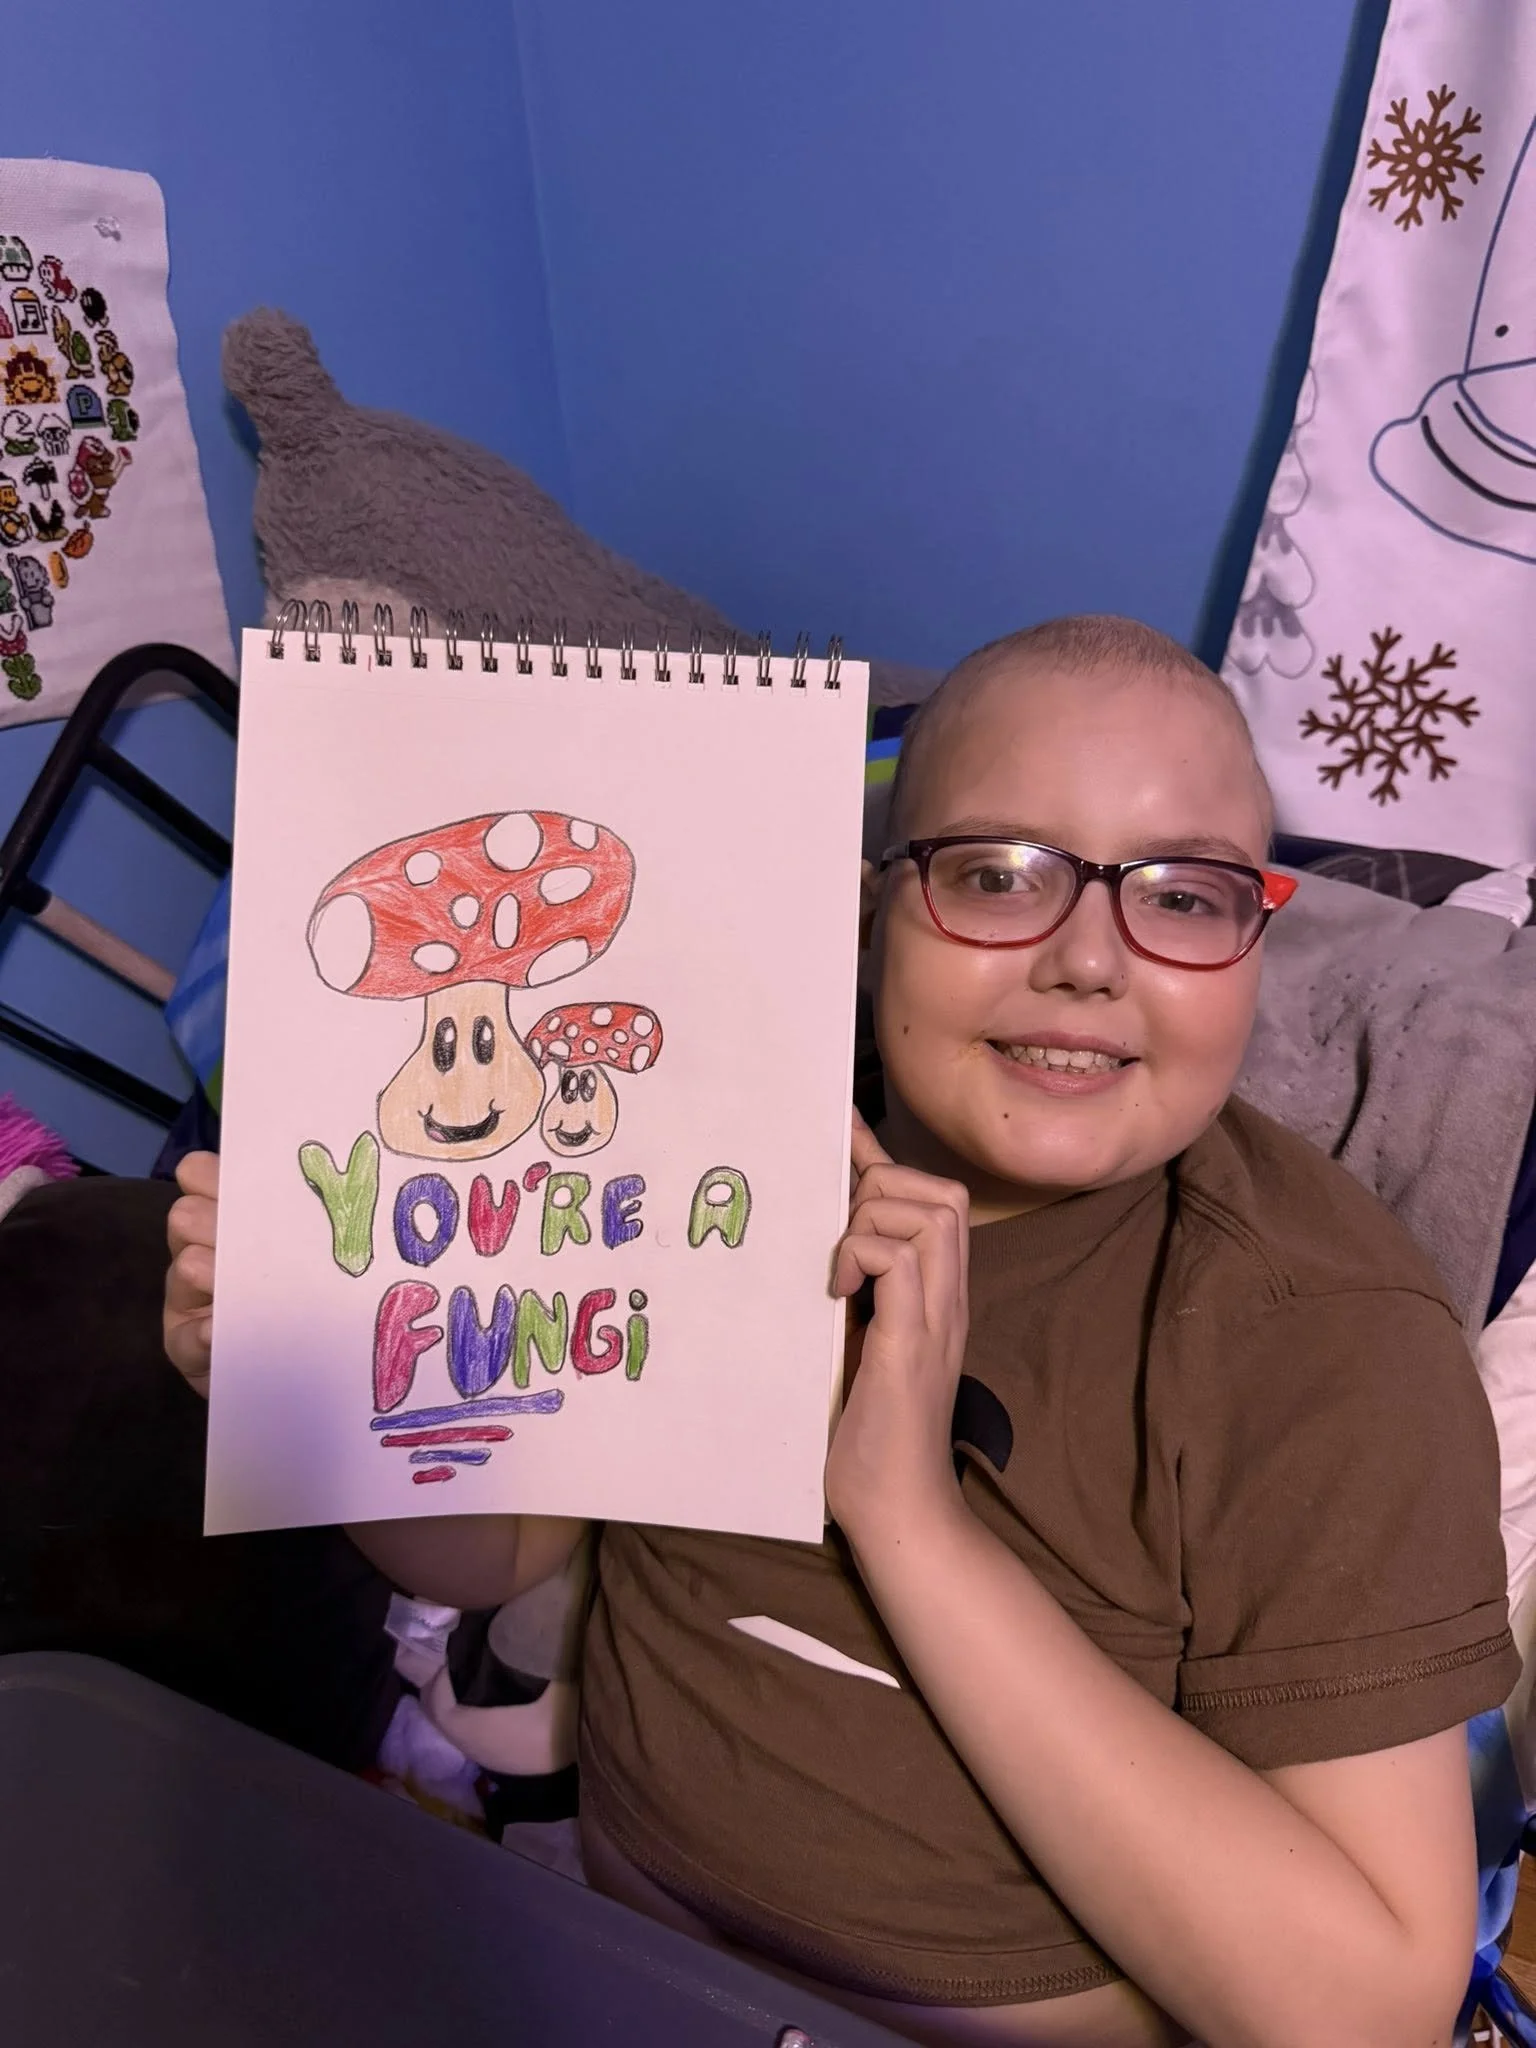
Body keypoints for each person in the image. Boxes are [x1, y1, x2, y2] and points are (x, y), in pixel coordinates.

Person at [166, 615, 1517, 2048]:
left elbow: (1363, 2012)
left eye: (1181, 897)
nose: (1086, 961)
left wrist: (905, 1518)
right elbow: (501, 1552)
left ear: (1255, 938)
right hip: (599, 1952)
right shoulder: (706, 1149)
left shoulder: (1316, 1335)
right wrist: (330, 1405)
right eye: (996, 875)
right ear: (877, 911)